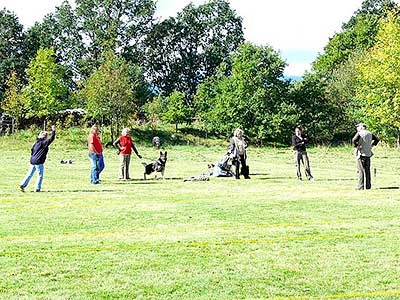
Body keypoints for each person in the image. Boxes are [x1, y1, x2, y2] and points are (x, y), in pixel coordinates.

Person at [20, 125, 56, 192]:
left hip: (32, 160)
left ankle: (23, 184)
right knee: (40, 175)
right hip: (38, 161)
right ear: (45, 137)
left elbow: (32, 150)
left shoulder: (36, 142)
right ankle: (37, 188)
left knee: (30, 174)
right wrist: (53, 130)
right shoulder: (44, 143)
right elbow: (52, 139)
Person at [352, 123, 380, 190]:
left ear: (361, 127)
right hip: (368, 154)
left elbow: (354, 140)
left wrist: (356, 146)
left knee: (361, 170)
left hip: (361, 154)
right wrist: (372, 145)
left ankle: (360, 187)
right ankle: (368, 186)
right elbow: (377, 139)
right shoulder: (370, 133)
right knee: (367, 170)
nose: (357, 128)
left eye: (358, 127)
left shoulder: (360, 133)